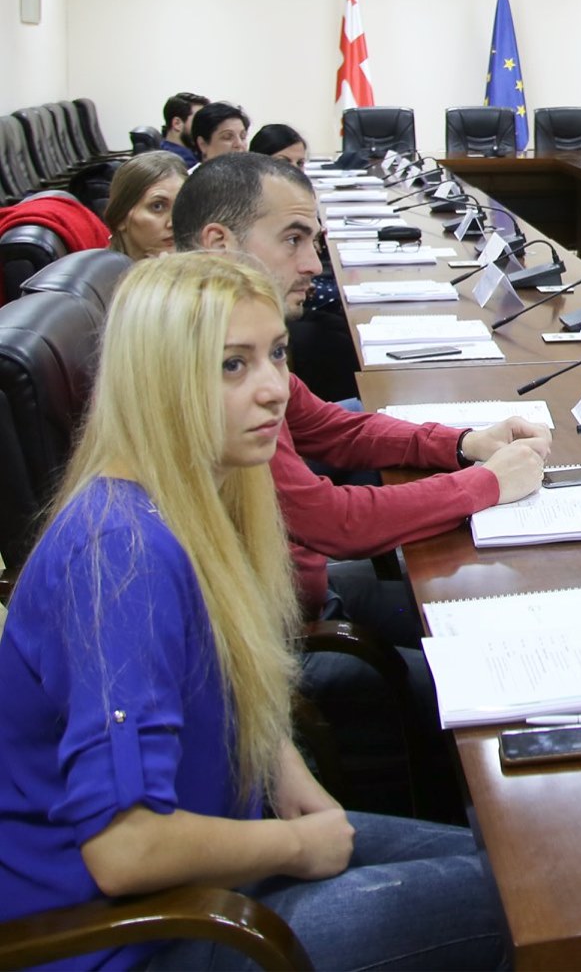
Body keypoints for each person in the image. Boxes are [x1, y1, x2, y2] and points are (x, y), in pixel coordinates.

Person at [0, 253, 506, 970]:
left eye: (276, 354)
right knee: (521, 908)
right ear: (159, 379)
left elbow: (219, 672)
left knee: (513, 871)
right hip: (132, 937)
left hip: (211, 865)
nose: (272, 389)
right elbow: (125, 847)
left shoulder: (193, 495)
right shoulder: (122, 555)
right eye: (231, 365)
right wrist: (293, 845)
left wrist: (281, 764)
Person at [174, 154, 549, 811]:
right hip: (282, 642)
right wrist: (486, 484)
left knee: (505, 615)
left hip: (304, 595)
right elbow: (330, 520)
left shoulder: (237, 339)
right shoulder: (203, 365)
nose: (314, 264)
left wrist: (462, 443)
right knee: (502, 687)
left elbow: (332, 429)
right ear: (219, 243)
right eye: (294, 239)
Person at [102, 149, 187, 259]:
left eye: (182, 206)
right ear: (120, 217)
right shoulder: (102, 270)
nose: (174, 223)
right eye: (157, 206)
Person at [159, 91, 208, 167]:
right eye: (198, 120)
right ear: (177, 123)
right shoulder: (183, 163)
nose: (203, 127)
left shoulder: (161, 149)